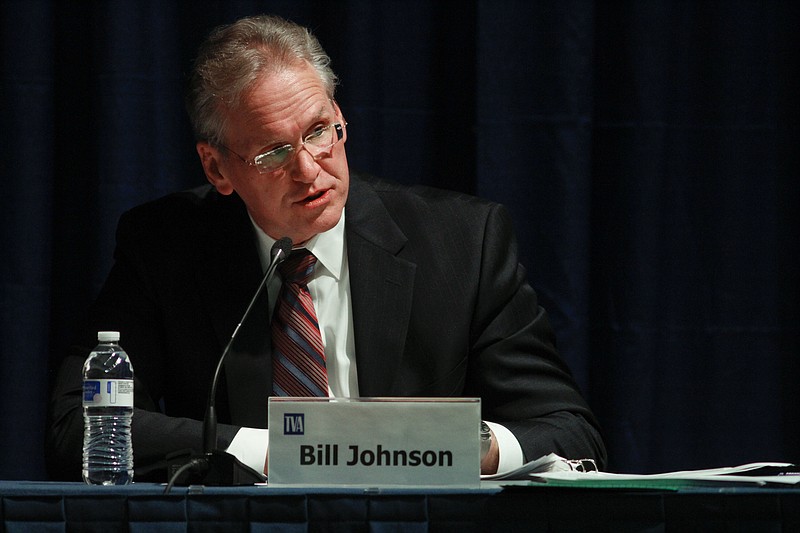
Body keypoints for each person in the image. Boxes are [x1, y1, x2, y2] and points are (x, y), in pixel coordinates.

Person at [46, 14, 606, 481]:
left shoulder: (462, 242)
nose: (309, 171)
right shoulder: (166, 245)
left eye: (318, 131)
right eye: (273, 153)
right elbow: (82, 422)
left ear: (340, 119)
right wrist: (289, 451)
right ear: (217, 168)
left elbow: (570, 431)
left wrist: (452, 445)